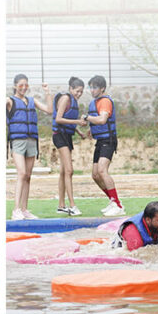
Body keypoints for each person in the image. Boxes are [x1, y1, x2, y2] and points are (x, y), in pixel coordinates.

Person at [7, 74, 52, 220]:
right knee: (21, 173)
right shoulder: (9, 101)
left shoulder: (32, 101)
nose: (24, 87)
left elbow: (49, 110)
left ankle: (25, 209)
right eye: (21, 85)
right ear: (15, 86)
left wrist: (47, 92)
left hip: (32, 141)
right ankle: (16, 210)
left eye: (26, 85)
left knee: (28, 176)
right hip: (18, 141)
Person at [46, 78, 88, 216]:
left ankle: (61, 206)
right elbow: (58, 119)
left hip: (67, 136)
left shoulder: (74, 101)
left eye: (81, 92)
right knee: (69, 171)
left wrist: (78, 131)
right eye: (77, 91)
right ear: (71, 88)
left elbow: (67, 121)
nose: (79, 94)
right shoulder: (65, 99)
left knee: (64, 172)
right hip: (59, 136)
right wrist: (77, 121)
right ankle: (72, 206)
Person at [86, 75, 124, 216]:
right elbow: (99, 122)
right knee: (95, 175)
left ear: (102, 88)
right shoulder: (95, 102)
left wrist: (87, 118)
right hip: (100, 140)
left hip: (108, 140)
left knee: (102, 170)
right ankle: (112, 200)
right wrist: (91, 129)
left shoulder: (105, 101)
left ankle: (118, 205)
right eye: (90, 87)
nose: (92, 90)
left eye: (95, 87)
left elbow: (102, 120)